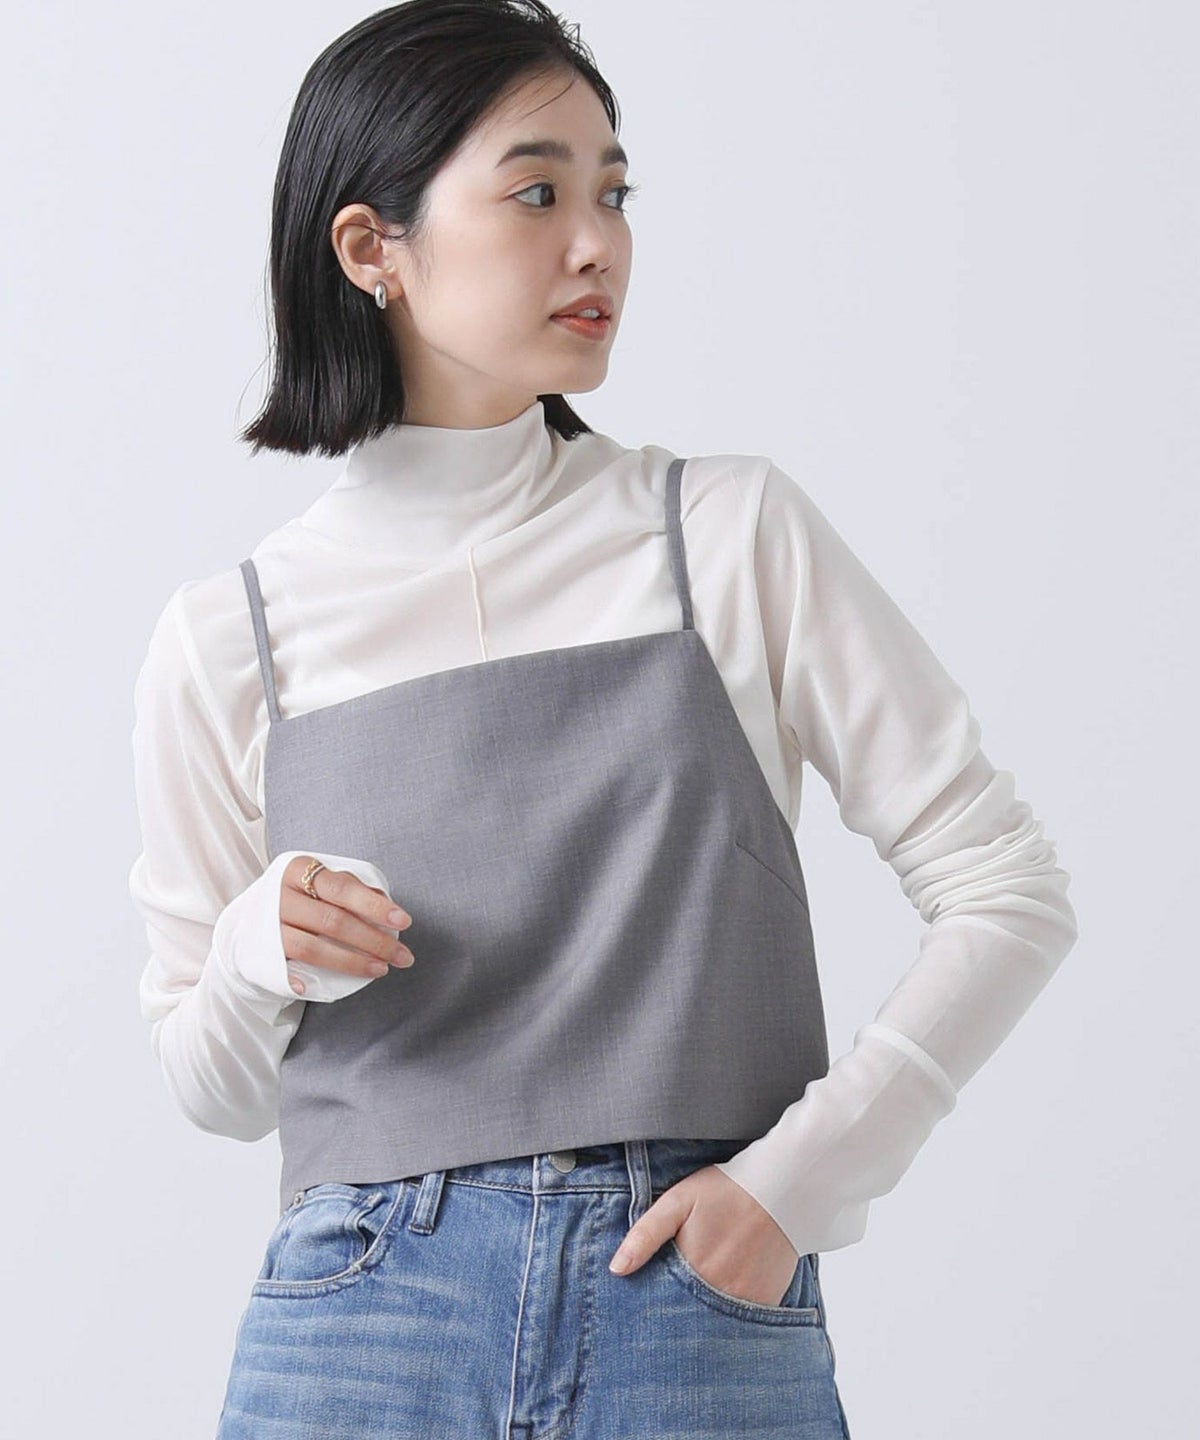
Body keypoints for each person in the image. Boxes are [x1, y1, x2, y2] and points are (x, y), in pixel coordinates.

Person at [127, 3, 1079, 1436]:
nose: (598, 245)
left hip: (688, 1303)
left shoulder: (723, 534)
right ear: (371, 247)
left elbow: (1006, 888)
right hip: (360, 1320)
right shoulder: (228, 640)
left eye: (615, 194)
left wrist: (794, 1187)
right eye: (537, 194)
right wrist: (259, 947)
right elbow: (212, 1090)